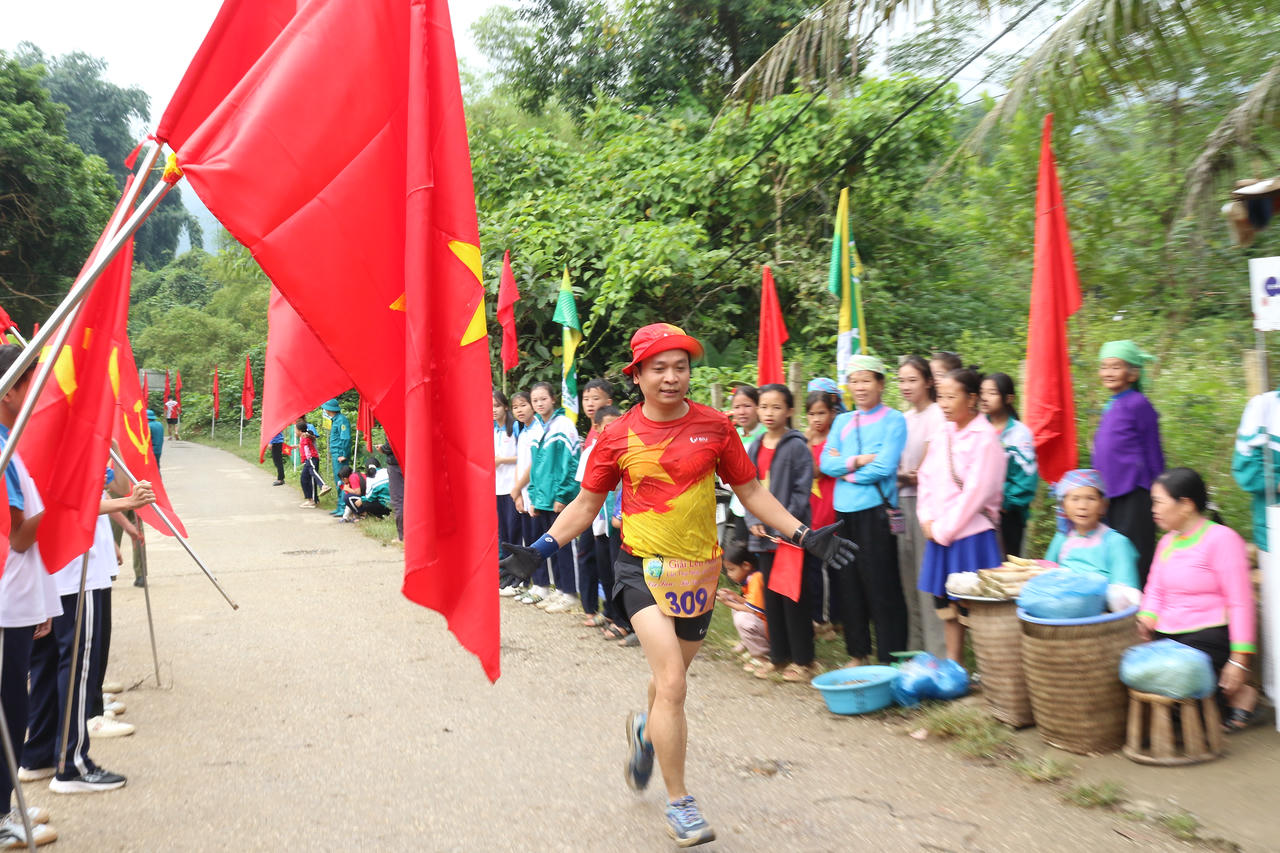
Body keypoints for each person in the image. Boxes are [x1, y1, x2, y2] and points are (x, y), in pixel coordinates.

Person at [498, 323, 855, 847]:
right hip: (641, 568)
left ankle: (646, 730)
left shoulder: (715, 427)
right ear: (637, 375)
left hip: (699, 573)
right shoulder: (616, 435)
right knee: (674, 684)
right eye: (658, 367)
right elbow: (586, 504)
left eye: (680, 367)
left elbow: (751, 489)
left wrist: (802, 535)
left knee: (670, 682)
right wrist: (541, 549)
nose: (671, 377)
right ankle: (680, 803)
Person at [1139, 468, 1259, 730]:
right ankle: (1221, 698)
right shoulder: (1167, 542)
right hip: (1168, 633)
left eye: (1158, 502)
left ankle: (1239, 695)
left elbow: (1240, 602)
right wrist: (1146, 620)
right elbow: (1155, 590)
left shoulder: (1222, 540)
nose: (1153, 509)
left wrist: (1239, 661)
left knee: (1184, 713)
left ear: (1185, 505)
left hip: (1208, 635)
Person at [0, 345, 61, 846]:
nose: (35, 393)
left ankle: (5, 804)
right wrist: (61, 500)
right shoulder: (1, 449)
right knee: (5, 713)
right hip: (5, 601)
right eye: (29, 384)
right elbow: (18, 535)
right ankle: (1, 816)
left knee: (10, 711)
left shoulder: (9, 442)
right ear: (9, 390)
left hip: (17, 601)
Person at [821, 355, 909, 667]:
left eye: (866, 380)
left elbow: (885, 466)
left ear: (881, 384)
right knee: (849, 583)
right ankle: (858, 652)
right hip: (843, 512)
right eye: (854, 380)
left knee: (882, 583)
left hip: (876, 511)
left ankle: (891, 656)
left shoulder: (894, 419)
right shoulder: (843, 421)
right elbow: (824, 463)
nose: (859, 387)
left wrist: (843, 468)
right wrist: (858, 461)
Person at [917, 368, 1004, 663]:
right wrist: (926, 519)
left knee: (974, 606)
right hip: (940, 531)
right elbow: (926, 477)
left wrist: (942, 529)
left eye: (951, 397)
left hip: (972, 533)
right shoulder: (943, 433)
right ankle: (955, 667)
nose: (943, 403)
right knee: (947, 604)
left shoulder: (986, 438)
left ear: (971, 399)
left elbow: (976, 493)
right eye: (940, 397)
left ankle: (988, 670)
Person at [745, 383, 815, 682]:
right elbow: (746, 488)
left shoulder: (797, 445)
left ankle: (804, 660)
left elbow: (801, 493)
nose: (769, 413)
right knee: (771, 599)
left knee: (792, 599)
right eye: (764, 406)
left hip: (789, 537)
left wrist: (781, 523)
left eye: (776, 407)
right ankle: (778, 657)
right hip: (762, 538)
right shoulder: (755, 445)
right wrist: (752, 518)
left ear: (789, 410)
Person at [1092, 340, 1164, 585]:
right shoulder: (1111, 405)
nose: (1108, 372)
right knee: (1116, 551)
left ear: (1133, 373)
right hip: (1110, 493)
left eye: (1116, 367)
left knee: (1136, 551)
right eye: (1104, 367)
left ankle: (1141, 608)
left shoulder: (1138, 404)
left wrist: (1158, 491)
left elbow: (1153, 450)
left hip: (1135, 490)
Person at [896, 355, 945, 656]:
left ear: (928, 381)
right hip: (899, 505)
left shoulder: (938, 414)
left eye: (912, 379)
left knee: (927, 577)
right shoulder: (903, 419)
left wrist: (900, 475)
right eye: (901, 380)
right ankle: (915, 650)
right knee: (906, 577)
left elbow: (925, 471)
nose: (906, 386)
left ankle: (937, 652)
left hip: (927, 506)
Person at [521, 382, 581, 608]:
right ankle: (560, 588)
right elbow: (535, 468)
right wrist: (534, 497)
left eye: (543, 399)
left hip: (558, 499)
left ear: (553, 399)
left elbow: (571, 464)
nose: (539, 403)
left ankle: (570, 594)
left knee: (564, 546)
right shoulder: (538, 428)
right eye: (535, 400)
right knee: (551, 546)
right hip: (543, 499)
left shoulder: (564, 425)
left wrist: (563, 496)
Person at [562, 378, 614, 618]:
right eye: (586, 399)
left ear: (608, 402)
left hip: (607, 513)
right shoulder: (592, 432)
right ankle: (590, 609)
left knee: (607, 564)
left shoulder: (610, 430)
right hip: (589, 511)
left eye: (596, 398)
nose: (590, 403)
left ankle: (612, 613)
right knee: (586, 557)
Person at [1043, 469, 1139, 588]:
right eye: (1075, 499)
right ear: (1063, 505)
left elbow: (1126, 592)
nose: (1082, 506)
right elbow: (1045, 576)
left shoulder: (1117, 543)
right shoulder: (1062, 538)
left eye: (1091, 498)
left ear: (1103, 506)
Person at [979, 372, 1038, 556]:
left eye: (992, 393)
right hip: (976, 510)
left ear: (1008, 398)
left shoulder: (1020, 434)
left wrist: (1004, 502)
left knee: (1006, 567)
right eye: (982, 392)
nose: (985, 398)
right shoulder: (977, 427)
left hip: (1007, 513)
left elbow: (1026, 478)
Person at [804, 380, 841, 640]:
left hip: (831, 507)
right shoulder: (804, 438)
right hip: (811, 510)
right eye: (812, 414)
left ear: (832, 413)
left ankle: (836, 619)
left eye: (822, 413)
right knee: (813, 569)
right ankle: (818, 618)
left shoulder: (835, 439)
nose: (817, 419)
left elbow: (816, 470)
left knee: (834, 568)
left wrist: (808, 440)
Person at [501, 392, 538, 596]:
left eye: (523, 405)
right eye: (516, 407)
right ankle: (526, 583)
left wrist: (516, 489)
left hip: (536, 494)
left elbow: (533, 464)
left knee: (534, 541)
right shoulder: (523, 432)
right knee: (525, 540)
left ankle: (540, 586)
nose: (520, 410)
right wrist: (517, 493)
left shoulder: (536, 431)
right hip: (523, 494)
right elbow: (520, 465)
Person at [718, 540, 768, 668]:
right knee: (736, 605)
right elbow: (753, 604)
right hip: (763, 622)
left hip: (770, 629)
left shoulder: (756, 579)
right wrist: (734, 597)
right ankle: (749, 643)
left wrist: (727, 602)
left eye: (731, 569)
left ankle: (761, 655)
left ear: (746, 565)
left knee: (743, 619)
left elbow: (750, 610)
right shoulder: (751, 577)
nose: (729, 575)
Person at [726, 385, 764, 545]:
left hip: (762, 509)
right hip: (739, 507)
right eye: (737, 407)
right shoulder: (735, 436)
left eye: (747, 406)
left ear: (757, 406)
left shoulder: (766, 435)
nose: (741, 412)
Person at [493, 391, 520, 564]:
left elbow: (526, 456)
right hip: (496, 488)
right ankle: (503, 568)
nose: (493, 410)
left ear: (505, 407)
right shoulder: (491, 429)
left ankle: (517, 569)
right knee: (501, 531)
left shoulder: (516, 427)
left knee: (514, 531)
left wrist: (503, 460)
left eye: (496, 406)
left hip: (513, 487)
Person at [323, 400, 353, 518]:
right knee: (338, 481)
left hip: (340, 455)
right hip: (336, 455)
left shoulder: (341, 420)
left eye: (325, 408)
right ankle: (340, 506)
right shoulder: (335, 420)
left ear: (329, 409)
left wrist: (344, 454)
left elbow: (345, 438)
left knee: (342, 481)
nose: (324, 410)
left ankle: (343, 507)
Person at [295, 417, 328, 508]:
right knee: (304, 479)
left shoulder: (306, 435)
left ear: (300, 430)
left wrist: (307, 434)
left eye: (296, 430)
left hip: (312, 458)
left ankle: (323, 486)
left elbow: (311, 436)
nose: (295, 432)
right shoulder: (302, 438)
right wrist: (296, 446)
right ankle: (311, 500)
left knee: (313, 473)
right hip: (307, 460)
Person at [379, 441, 404, 541]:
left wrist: (383, 449)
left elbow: (392, 443)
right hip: (414, 461)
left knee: (399, 500)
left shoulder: (396, 424)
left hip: (396, 463)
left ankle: (403, 536)